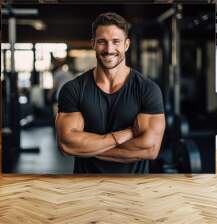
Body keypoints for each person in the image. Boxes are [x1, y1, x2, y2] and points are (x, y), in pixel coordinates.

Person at [55, 12, 165, 174]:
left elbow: (150, 149)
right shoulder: (73, 89)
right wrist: (122, 135)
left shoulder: (147, 89)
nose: (109, 49)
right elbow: (67, 144)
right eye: (102, 42)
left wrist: (88, 148)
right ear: (93, 44)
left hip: (135, 190)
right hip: (84, 188)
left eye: (116, 42)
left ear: (126, 45)